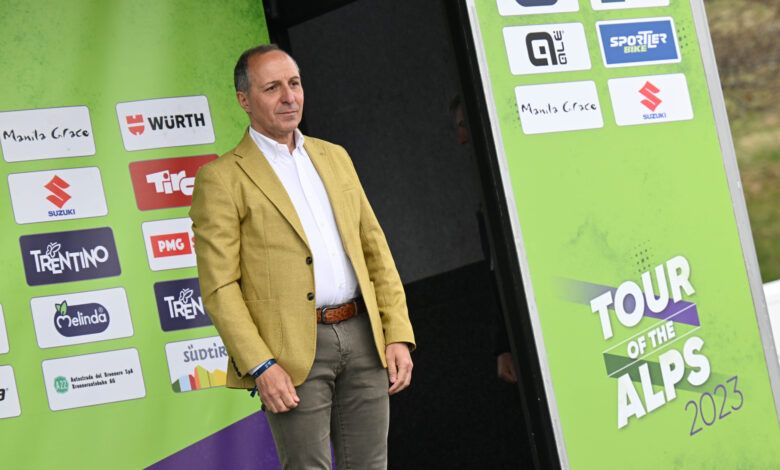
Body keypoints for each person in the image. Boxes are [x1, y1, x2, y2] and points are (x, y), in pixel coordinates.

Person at [190, 44, 416, 469]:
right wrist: (261, 365)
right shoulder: (221, 179)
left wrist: (397, 332)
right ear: (244, 100)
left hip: (364, 336)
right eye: (272, 88)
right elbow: (219, 287)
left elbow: (375, 250)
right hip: (288, 352)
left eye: (294, 84)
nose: (289, 97)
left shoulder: (335, 156)